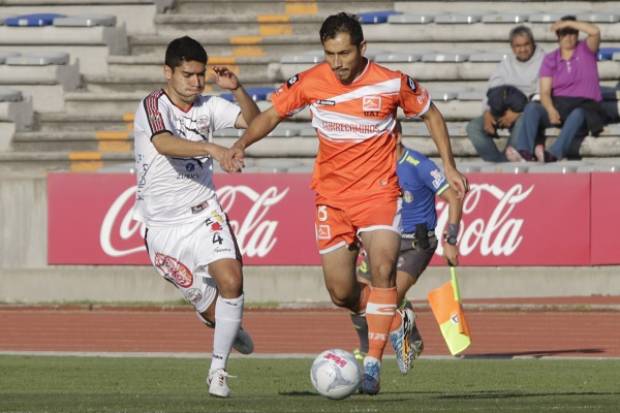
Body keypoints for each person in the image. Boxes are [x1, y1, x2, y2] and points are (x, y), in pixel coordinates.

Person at [221, 12, 468, 395]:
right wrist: (239, 145)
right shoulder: (311, 81)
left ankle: (372, 363)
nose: (337, 63)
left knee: (383, 268)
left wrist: (449, 166)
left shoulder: (391, 82)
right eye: (330, 53)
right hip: (331, 199)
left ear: (362, 48)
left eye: (344, 53)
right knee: (341, 292)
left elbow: (430, 114)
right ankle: (395, 316)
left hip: (378, 193)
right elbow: (270, 115)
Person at [132, 36, 260, 398]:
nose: (196, 82)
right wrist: (211, 147)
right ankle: (225, 325)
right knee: (215, 314)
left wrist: (237, 91)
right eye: (188, 75)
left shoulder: (209, 106)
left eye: (200, 75)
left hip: (205, 212)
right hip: (163, 229)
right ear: (168, 72)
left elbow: (257, 123)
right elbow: (164, 142)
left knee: (232, 280)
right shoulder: (153, 105)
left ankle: (217, 371)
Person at [352, 135, 463, 374]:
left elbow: (452, 197)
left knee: (388, 296)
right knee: (357, 294)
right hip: (384, 241)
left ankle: (407, 342)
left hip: (416, 244)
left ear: (396, 137)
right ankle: (367, 346)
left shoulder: (419, 164)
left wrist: (451, 238)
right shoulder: (373, 165)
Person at [506, 16, 606, 162]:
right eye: (564, 33)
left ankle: (554, 153)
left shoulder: (586, 49)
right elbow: (545, 92)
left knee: (578, 113)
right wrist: (551, 109)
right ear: (558, 36)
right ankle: (524, 151)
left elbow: (595, 31)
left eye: (572, 32)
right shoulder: (550, 59)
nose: (568, 37)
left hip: (586, 107)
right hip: (561, 106)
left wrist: (568, 23)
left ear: (577, 34)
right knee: (532, 108)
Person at [466, 25, 544, 162]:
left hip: (527, 111)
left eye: (526, 44)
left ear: (533, 43)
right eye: (518, 46)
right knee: (473, 127)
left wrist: (518, 113)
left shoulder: (544, 60)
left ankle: (507, 163)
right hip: (502, 108)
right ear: (512, 47)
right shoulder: (506, 63)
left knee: (523, 122)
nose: (523, 49)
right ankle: (497, 162)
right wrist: (487, 113)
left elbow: (541, 94)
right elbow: (491, 89)